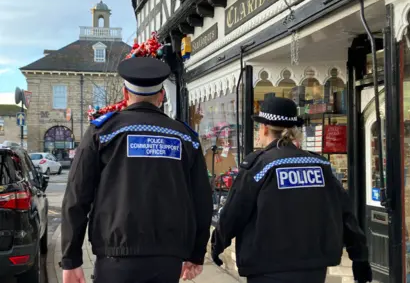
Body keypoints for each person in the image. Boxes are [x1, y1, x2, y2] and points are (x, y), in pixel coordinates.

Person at [61, 56, 213, 283]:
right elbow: (202, 200)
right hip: (167, 258)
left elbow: (76, 196)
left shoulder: (102, 133)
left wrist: (71, 258)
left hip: (115, 258)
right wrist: (196, 253)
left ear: (125, 94)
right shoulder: (185, 137)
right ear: (161, 96)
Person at [210, 96, 372, 283]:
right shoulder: (319, 165)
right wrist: (359, 256)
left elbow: (234, 212)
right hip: (313, 268)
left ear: (264, 128)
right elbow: (346, 214)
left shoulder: (259, 166)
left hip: (267, 268)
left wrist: (217, 245)